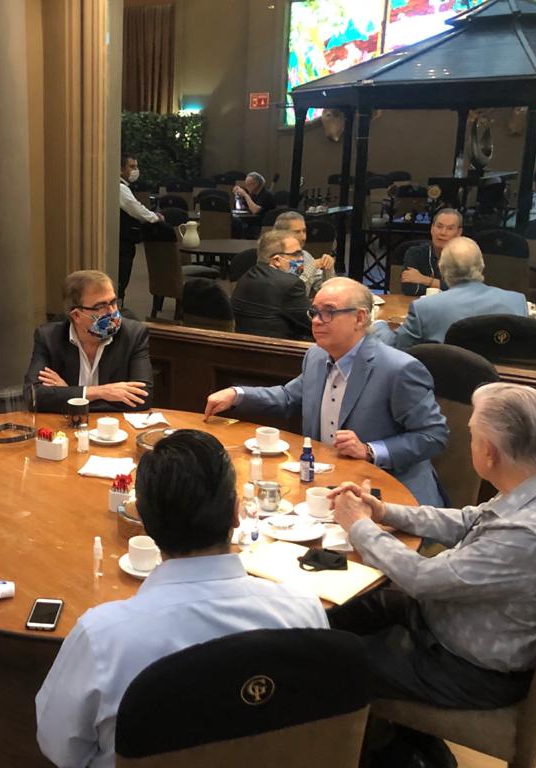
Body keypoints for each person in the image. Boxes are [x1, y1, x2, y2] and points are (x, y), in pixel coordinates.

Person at [35, 429, 327, 768]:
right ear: (236, 513)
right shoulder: (304, 611)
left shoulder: (101, 639)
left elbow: (59, 746)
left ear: (144, 522)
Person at [328, 382, 536, 712]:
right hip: (461, 618)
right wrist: (384, 512)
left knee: (328, 660)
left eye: (472, 436)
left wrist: (359, 525)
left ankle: (370, 736)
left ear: (489, 452)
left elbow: (421, 578)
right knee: (344, 611)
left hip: (468, 669)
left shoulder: (527, 534)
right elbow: (471, 519)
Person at [204, 277, 448, 506]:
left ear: (360, 318)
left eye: (329, 312)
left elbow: (433, 435)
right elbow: (288, 397)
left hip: (391, 494)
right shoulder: (317, 356)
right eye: (314, 312)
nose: (316, 321)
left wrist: (370, 450)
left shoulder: (398, 369)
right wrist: (237, 394)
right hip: (328, 485)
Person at [24, 270, 153, 413]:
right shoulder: (49, 338)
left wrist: (70, 395)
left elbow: (142, 398)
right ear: (77, 315)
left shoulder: (133, 335)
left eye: (113, 302)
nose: (112, 312)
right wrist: (100, 392)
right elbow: (33, 397)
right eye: (100, 306)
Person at [375, 236, 528, 350]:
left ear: (442, 269)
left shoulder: (424, 308)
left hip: (443, 381)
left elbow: (397, 347)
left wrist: (378, 324)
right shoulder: (517, 302)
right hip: (501, 382)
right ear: (482, 266)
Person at [231, 229, 313, 340]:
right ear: (277, 260)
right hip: (280, 346)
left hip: (245, 344)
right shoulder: (290, 285)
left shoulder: (246, 276)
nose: (302, 259)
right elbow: (312, 324)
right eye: (296, 254)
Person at [118, 153, 163, 299]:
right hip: (122, 240)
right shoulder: (120, 188)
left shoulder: (122, 186)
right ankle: (118, 304)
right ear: (120, 169)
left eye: (136, 167)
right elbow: (136, 209)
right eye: (131, 167)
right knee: (122, 274)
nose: (136, 170)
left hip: (122, 238)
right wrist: (155, 217)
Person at [400, 209, 463, 296]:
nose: (443, 233)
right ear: (432, 229)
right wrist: (444, 286)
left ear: (459, 233)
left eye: (450, 228)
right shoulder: (415, 253)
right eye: (439, 227)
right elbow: (409, 288)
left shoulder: (466, 257)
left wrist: (425, 280)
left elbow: (464, 290)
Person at [274, 210, 337, 295]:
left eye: (304, 231)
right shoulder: (275, 259)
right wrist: (312, 266)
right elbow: (296, 295)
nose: (303, 237)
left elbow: (323, 290)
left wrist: (328, 269)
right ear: (280, 235)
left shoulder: (305, 255)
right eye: (297, 232)